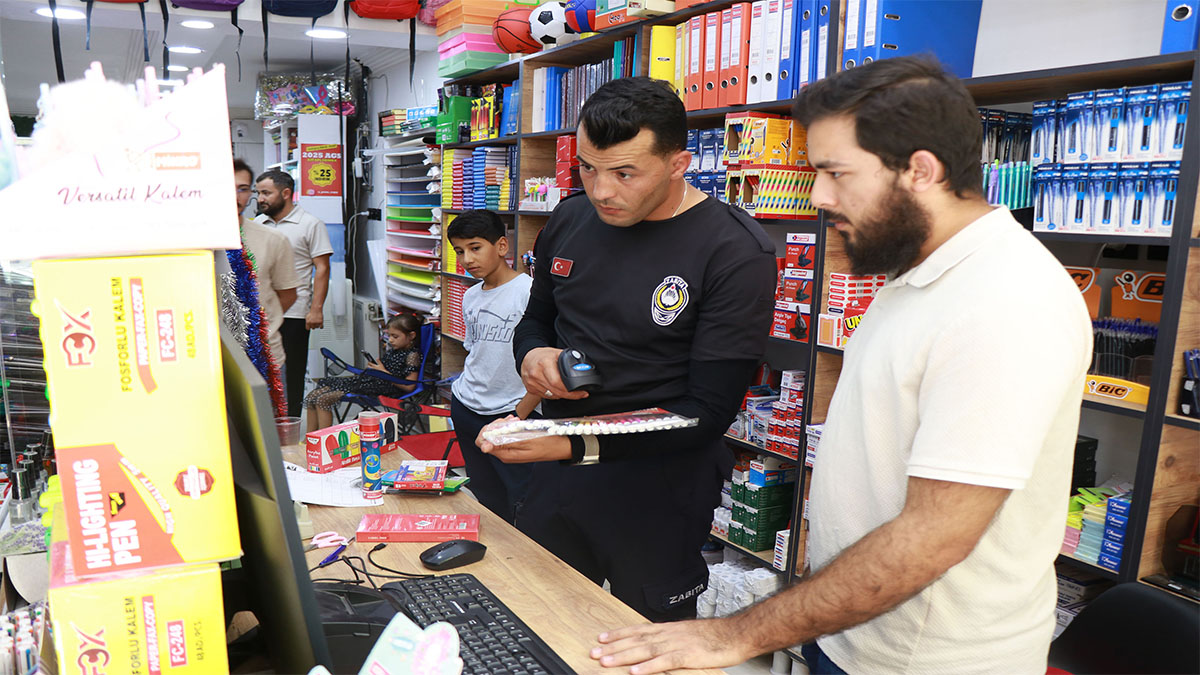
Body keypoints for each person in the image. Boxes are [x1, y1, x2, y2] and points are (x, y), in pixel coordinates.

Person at [590, 56, 1093, 675]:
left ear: (921, 171)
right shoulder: (919, 273)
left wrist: (734, 634)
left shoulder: (1004, 303)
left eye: (835, 173)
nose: (818, 197)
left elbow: (933, 536)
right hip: (859, 633)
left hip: (928, 661)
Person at [477, 77, 777, 622]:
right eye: (588, 168)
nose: (602, 191)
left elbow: (705, 413)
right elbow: (535, 320)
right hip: (558, 472)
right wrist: (533, 356)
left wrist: (573, 444)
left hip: (659, 486)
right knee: (543, 619)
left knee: (647, 638)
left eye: (624, 173)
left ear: (679, 164)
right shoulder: (569, 219)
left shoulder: (734, 251)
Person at [446, 210, 536, 523]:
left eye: (475, 248)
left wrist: (519, 414)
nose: (467, 259)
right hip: (467, 407)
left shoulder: (529, 293)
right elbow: (476, 352)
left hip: (511, 413)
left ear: (501, 246)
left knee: (523, 501)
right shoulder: (471, 295)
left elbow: (545, 365)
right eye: (459, 251)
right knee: (486, 498)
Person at [254, 169, 334, 417]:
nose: (260, 199)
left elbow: (322, 268)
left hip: (295, 313)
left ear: (286, 193)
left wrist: (316, 309)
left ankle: (289, 427)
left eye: (266, 193)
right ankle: (266, 425)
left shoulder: (310, 224)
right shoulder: (258, 225)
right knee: (262, 373)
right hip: (261, 313)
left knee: (291, 375)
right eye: (258, 193)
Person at [233, 159, 301, 376]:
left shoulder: (271, 239)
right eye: (227, 187)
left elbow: (287, 294)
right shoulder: (192, 241)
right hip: (207, 360)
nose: (235, 196)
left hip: (264, 357)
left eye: (243, 189)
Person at [303, 313, 421, 432]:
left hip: (386, 388)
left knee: (323, 399)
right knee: (312, 396)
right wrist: (375, 369)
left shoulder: (412, 356)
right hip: (374, 381)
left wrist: (382, 372)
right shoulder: (395, 350)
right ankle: (308, 438)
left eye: (395, 336)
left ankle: (323, 438)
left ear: (411, 336)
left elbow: (409, 386)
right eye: (389, 335)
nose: (390, 340)